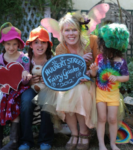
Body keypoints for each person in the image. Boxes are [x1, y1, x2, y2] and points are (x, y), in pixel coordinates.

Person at [41, 12, 97, 150]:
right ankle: (75, 133)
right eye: (67, 30)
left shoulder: (92, 42)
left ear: (79, 31)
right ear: (62, 32)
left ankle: (84, 132)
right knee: (64, 94)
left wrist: (90, 72)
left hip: (88, 82)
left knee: (80, 91)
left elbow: (101, 65)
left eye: (74, 30)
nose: (70, 33)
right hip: (69, 83)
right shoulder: (61, 48)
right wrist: (79, 60)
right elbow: (61, 73)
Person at [0, 24, 32, 150]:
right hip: (3, 88)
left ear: (19, 44)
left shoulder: (24, 59)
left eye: (14, 44)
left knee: (13, 101)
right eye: (8, 44)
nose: (11, 47)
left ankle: (13, 140)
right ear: (3, 44)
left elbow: (25, 82)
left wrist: (25, 75)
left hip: (18, 89)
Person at [90, 23, 130, 150]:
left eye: (102, 45)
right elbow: (94, 75)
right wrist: (93, 70)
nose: (100, 47)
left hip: (113, 95)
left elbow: (126, 77)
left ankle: (113, 143)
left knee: (112, 119)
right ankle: (101, 144)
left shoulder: (122, 61)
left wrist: (117, 78)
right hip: (100, 93)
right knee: (101, 118)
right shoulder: (99, 58)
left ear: (112, 46)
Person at [19, 26, 54, 150]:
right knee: (26, 101)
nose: (40, 45)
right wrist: (28, 82)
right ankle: (26, 141)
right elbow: (18, 79)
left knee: (47, 102)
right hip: (30, 89)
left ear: (48, 45)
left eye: (43, 42)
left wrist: (49, 81)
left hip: (48, 90)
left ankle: (45, 140)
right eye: (36, 42)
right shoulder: (25, 59)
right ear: (31, 45)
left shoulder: (52, 59)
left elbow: (59, 78)